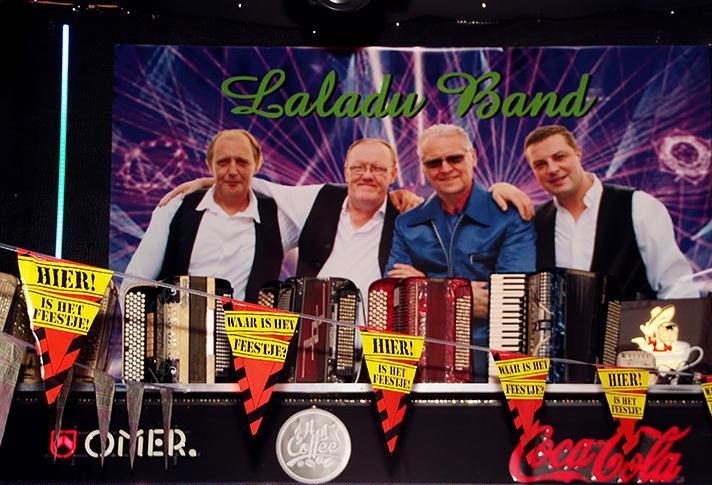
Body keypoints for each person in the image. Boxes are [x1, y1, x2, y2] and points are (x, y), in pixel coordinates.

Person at [158, 138, 534, 300]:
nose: (367, 175)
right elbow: (255, 184)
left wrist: (498, 189)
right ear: (346, 170)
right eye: (359, 167)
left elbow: (458, 205)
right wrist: (206, 182)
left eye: (378, 169)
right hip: (310, 348)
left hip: (377, 352)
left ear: (393, 174)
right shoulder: (317, 198)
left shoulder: (409, 214)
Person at [385, 124, 537, 381]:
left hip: (491, 363)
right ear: (423, 168)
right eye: (434, 163)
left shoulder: (510, 217)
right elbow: (396, 297)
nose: (445, 168)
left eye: (454, 158)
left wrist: (423, 286)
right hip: (425, 362)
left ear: (473, 157)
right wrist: (458, 297)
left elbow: (512, 299)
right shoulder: (406, 223)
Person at [523, 125, 699, 300]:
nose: (552, 169)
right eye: (540, 164)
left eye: (559, 157)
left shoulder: (638, 205)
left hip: (634, 318)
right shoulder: (536, 224)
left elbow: (676, 286)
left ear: (578, 153)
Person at [125, 129, 283, 302]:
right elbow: (135, 282)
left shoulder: (278, 216)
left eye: (242, 162)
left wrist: (213, 182)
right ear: (209, 165)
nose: (232, 170)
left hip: (243, 320)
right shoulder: (175, 207)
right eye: (223, 162)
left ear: (258, 164)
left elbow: (307, 198)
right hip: (177, 318)